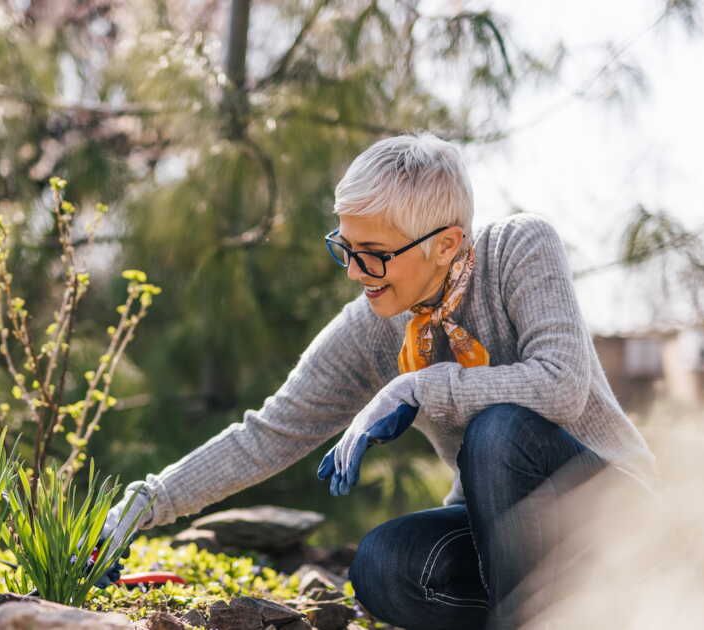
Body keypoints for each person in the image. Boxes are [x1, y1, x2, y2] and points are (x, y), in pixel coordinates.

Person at [99, 133, 658, 629]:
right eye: (345, 247)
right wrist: (148, 502)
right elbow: (270, 431)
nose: (353, 272)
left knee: (499, 429)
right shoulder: (372, 326)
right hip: (506, 543)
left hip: (612, 515)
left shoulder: (519, 247)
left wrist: (419, 385)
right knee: (382, 566)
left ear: (446, 244)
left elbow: (560, 386)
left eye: (375, 255)